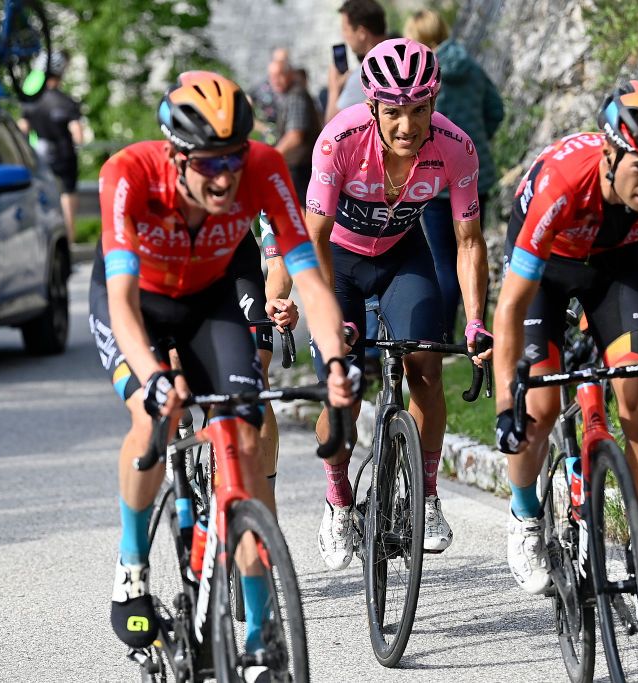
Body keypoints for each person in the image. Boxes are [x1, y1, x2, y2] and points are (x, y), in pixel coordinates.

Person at [90, 70, 357, 654]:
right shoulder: (128, 176)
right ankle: (131, 571)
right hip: (138, 302)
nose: (226, 176)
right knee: (150, 416)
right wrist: (157, 380)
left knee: (242, 435)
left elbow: (309, 278)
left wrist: (334, 363)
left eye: (233, 159)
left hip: (208, 298)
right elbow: (120, 305)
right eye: (209, 163)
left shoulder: (262, 168)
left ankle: (262, 636)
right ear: (176, 156)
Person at [492, 80, 638, 626]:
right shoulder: (563, 184)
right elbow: (511, 307)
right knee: (537, 411)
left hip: (616, 266)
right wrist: (503, 404)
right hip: (547, 270)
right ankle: (525, 518)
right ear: (609, 152)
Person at [307, 39, 493, 568]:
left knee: (427, 368)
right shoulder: (338, 141)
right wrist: (325, 318)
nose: (407, 126)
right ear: (373, 108)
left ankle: (428, 496)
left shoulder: (456, 147)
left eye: (418, 111)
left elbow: (469, 242)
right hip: (338, 261)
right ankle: (339, 500)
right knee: (340, 389)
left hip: (401, 255)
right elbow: (315, 239)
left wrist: (477, 320)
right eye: (394, 113)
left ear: (434, 103)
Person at [404, 9, 504, 341]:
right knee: (473, 247)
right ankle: (477, 326)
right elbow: (496, 109)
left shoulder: (425, 78)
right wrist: (477, 141)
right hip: (477, 174)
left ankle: (444, 335)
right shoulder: (472, 66)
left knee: (444, 261)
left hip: (435, 180)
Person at [19, 52, 84, 244]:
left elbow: (22, 128)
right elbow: (78, 135)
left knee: (40, 196)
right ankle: (69, 241)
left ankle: (43, 240)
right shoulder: (66, 101)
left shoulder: (32, 101)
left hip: (40, 152)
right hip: (65, 155)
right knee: (68, 197)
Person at [267, 56, 322, 205]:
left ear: (290, 74)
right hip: (301, 168)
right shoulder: (292, 94)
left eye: (280, 75)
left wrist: (270, 158)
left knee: (302, 213)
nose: (275, 80)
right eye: (272, 76)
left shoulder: (296, 96)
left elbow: (295, 136)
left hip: (301, 169)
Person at [325, 0, 388, 123]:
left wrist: (334, 89)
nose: (344, 36)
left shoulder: (364, 75)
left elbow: (332, 128)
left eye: (345, 29)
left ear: (361, 33)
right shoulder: (404, 53)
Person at [251, 47, 290, 145]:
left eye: (284, 61)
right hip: (270, 143)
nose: (281, 64)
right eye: (278, 61)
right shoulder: (261, 89)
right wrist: (264, 128)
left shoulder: (295, 87)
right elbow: (242, 111)